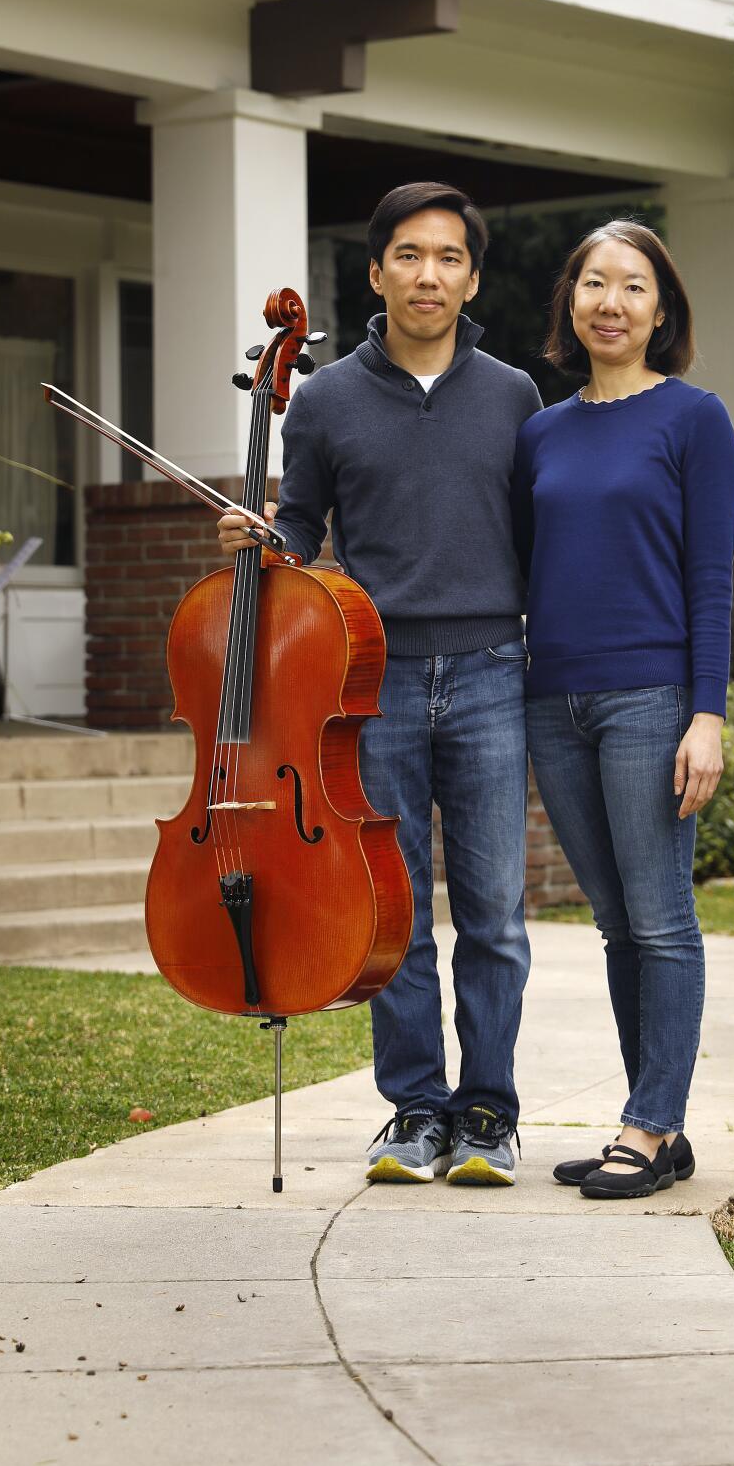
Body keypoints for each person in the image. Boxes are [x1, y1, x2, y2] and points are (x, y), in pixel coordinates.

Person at [218, 181, 542, 1186]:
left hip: (492, 671)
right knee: (388, 909)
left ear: (471, 277)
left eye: (448, 256)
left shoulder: (515, 395)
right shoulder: (320, 398)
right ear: (375, 271)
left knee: (491, 911)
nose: (428, 274)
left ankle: (487, 1109)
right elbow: (300, 530)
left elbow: (542, 537)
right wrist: (261, 542)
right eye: (409, 254)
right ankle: (415, 1109)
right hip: (372, 681)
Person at [511, 219, 734, 1200]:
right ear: (571, 301)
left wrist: (709, 714)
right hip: (551, 697)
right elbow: (522, 562)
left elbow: (712, 578)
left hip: (651, 698)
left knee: (660, 918)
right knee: (615, 922)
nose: (612, 301)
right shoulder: (541, 431)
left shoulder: (694, 418)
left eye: (633, 285)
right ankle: (657, 1119)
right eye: (594, 281)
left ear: (662, 307)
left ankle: (648, 1124)